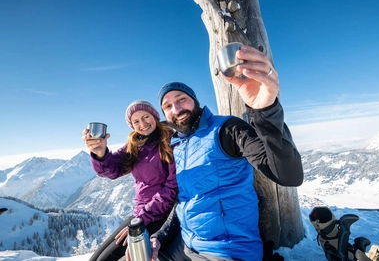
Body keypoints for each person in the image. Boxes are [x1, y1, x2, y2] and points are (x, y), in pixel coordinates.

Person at [150, 45, 304, 261]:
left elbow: (289, 175)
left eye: (181, 99)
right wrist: (159, 235)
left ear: (194, 101)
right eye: (168, 106)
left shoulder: (226, 130)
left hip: (226, 252)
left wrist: (266, 110)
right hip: (185, 246)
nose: (176, 109)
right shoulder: (179, 147)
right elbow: (185, 201)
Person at [82, 100, 178, 261]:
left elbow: (172, 189)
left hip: (161, 215)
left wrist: (143, 218)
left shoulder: (170, 141)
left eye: (146, 117)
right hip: (141, 213)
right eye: (136, 121)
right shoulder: (135, 144)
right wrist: (100, 153)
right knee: (96, 259)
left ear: (154, 116)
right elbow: (112, 170)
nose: (142, 124)